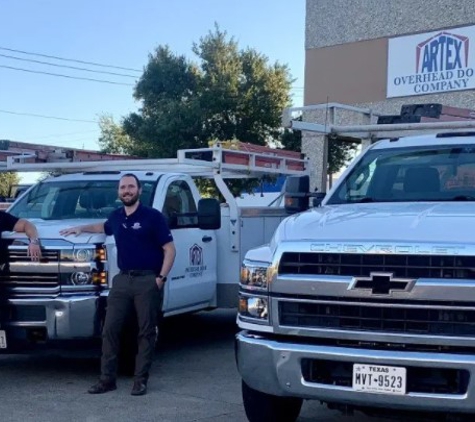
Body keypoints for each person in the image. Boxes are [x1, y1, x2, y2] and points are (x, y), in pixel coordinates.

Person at [60, 173, 176, 396]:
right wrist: (80, 228)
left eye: (131, 187)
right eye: (123, 188)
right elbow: (102, 227)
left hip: (147, 280)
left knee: (146, 331)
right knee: (110, 329)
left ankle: (140, 380)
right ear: (119, 193)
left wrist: (160, 279)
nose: (127, 191)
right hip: (122, 280)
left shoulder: (153, 217)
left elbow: (169, 250)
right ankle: (107, 380)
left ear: (139, 191)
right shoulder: (116, 217)